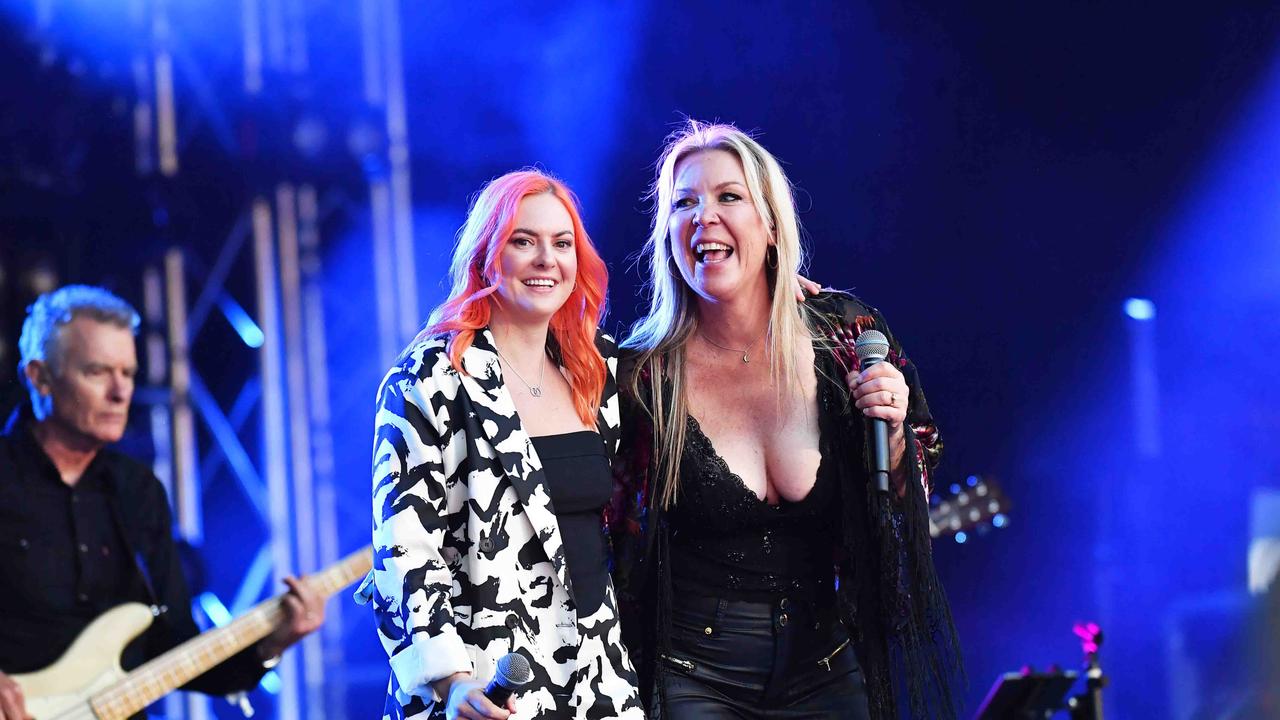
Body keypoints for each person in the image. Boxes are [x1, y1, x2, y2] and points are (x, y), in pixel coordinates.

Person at [610, 121, 964, 719]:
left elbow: (911, 487)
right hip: (693, 674)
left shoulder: (845, 336)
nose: (704, 218)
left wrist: (897, 430)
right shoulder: (641, 378)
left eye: (729, 197)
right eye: (684, 203)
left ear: (771, 224)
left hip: (827, 665)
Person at [357, 169, 643, 720]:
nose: (546, 259)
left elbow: (698, 360)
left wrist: (774, 299)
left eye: (562, 244)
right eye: (523, 241)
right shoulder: (429, 378)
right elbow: (404, 548)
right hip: (488, 684)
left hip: (599, 679)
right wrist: (452, 681)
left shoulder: (597, 369)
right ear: (488, 254)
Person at [0, 284, 325, 720]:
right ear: (38, 376)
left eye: (128, 374)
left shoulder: (137, 491)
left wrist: (270, 645)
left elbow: (174, 647)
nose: (120, 393)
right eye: (97, 372)